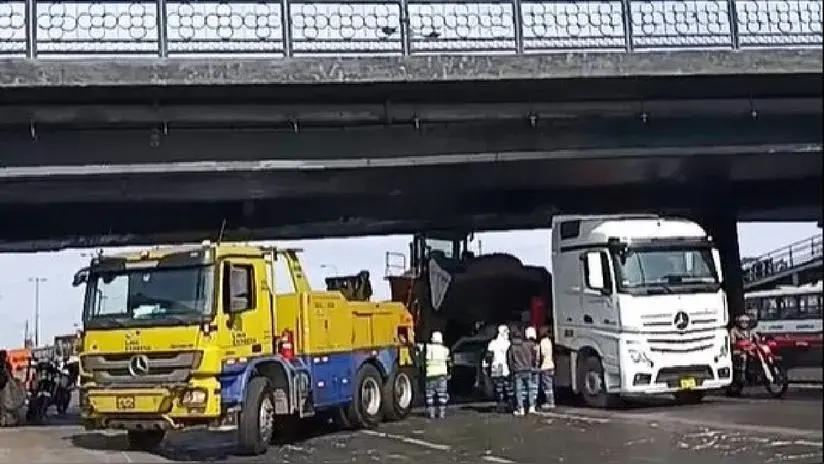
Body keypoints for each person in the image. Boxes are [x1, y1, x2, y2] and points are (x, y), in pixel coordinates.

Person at [508, 326, 539, 416]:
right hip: (528, 369)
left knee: (519, 390)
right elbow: (534, 355)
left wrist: (512, 369)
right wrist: (532, 365)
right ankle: (532, 407)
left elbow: (510, 360)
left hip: (518, 370)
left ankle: (520, 408)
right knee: (530, 388)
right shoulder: (527, 345)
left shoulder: (512, 347)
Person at [422, 331, 451, 419]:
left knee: (429, 395)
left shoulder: (427, 348)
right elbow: (449, 363)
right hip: (442, 376)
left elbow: (418, 349)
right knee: (442, 395)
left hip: (430, 376)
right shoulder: (445, 350)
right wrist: (449, 373)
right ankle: (441, 413)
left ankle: (431, 413)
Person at [485, 325, 512, 413]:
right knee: (508, 387)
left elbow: (488, 356)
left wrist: (488, 367)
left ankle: (500, 405)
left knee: (498, 387)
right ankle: (509, 405)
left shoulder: (493, 343)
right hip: (506, 367)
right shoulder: (508, 343)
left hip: (496, 366)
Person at [730, 314, 758, 380]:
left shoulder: (750, 330)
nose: (744, 323)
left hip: (750, 349)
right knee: (744, 357)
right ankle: (742, 376)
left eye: (746, 322)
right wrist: (741, 345)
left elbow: (757, 337)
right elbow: (733, 342)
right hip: (739, 351)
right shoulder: (734, 330)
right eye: (742, 322)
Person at [537, 326, 555, 409]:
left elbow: (542, 354)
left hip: (545, 366)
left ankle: (550, 402)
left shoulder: (543, 342)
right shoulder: (549, 341)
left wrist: (538, 362)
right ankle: (550, 401)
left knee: (547, 386)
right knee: (549, 384)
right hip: (551, 365)